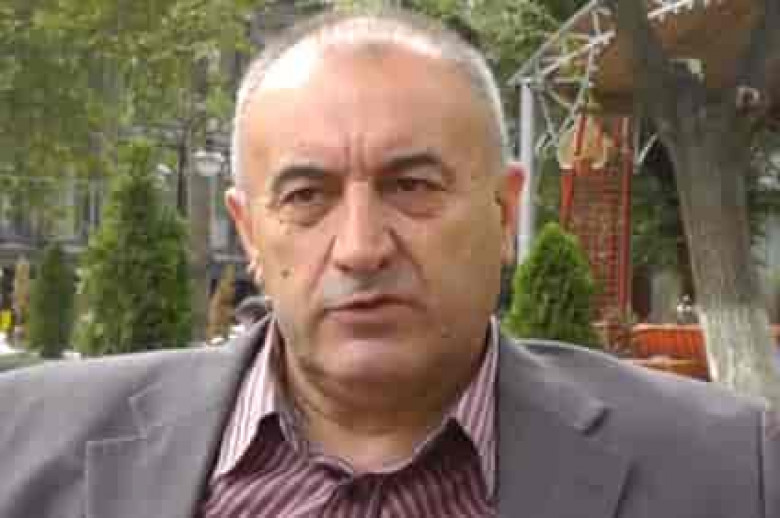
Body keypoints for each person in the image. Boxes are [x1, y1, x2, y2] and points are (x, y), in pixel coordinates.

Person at [0, 8, 778, 518]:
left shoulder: (729, 471)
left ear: (503, 214)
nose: (361, 247)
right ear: (250, 233)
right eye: (306, 196)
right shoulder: (24, 443)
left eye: (413, 186)